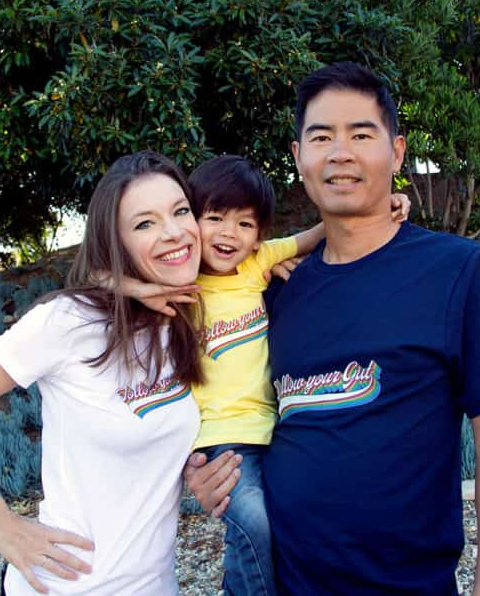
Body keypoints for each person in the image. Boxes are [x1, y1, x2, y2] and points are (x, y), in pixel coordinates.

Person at [185, 62, 480, 596]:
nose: (340, 152)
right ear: (299, 158)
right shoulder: (274, 292)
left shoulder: (455, 271)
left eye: (360, 134)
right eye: (322, 136)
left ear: (396, 152)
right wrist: (206, 471)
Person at [0, 151, 205, 596]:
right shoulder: (70, 322)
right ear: (117, 242)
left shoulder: (189, 316)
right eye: (144, 223)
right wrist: (1, 525)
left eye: (180, 211)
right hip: (67, 585)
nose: (173, 232)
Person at [118, 154, 409, 596]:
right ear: (192, 220)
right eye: (214, 218)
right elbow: (98, 276)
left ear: (259, 236)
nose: (229, 234)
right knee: (252, 520)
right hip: (218, 436)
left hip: (272, 428)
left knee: (283, 523)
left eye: (246, 224)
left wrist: (381, 205)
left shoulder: (257, 265)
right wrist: (138, 287)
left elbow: (317, 235)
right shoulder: (177, 281)